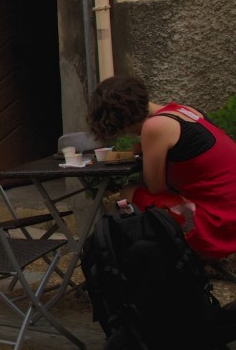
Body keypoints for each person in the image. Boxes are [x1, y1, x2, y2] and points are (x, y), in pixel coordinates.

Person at [88, 75, 236, 261]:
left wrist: (147, 150)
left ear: (123, 119)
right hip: (229, 211)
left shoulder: (155, 126)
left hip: (219, 225)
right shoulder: (183, 111)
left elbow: (156, 188)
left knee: (127, 194)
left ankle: (159, 258)